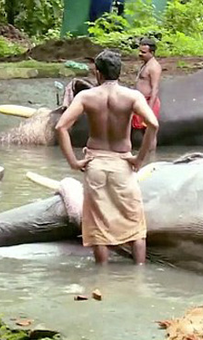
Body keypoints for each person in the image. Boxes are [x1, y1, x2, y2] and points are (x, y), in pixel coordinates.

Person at [55, 49, 159, 265]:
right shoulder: (132, 96)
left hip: (95, 163)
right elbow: (153, 124)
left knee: (98, 225)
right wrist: (139, 159)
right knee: (135, 224)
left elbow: (61, 127)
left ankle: (102, 275)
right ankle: (139, 271)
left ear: (97, 73)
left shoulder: (86, 96)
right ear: (119, 72)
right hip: (123, 163)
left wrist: (74, 162)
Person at [132, 38, 162, 133]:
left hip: (148, 101)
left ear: (152, 53)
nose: (140, 54)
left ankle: (151, 148)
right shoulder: (146, 64)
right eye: (140, 51)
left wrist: (149, 108)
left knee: (148, 131)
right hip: (140, 100)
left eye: (143, 52)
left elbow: (155, 88)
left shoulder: (154, 66)